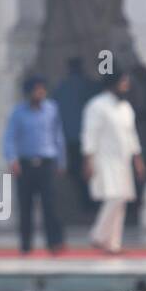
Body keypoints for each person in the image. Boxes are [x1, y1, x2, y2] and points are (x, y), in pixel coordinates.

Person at [80, 70, 145, 254]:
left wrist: (137, 160)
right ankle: (98, 235)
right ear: (112, 83)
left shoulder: (125, 108)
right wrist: (88, 159)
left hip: (123, 160)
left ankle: (113, 243)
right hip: (104, 159)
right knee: (114, 197)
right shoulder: (97, 106)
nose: (126, 85)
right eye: (123, 82)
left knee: (122, 199)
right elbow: (89, 134)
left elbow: (131, 136)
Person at [3, 75, 66, 255]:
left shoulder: (52, 109)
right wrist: (12, 159)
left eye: (42, 89)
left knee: (51, 205)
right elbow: (10, 138)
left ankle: (54, 242)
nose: (41, 93)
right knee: (25, 206)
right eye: (37, 89)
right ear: (29, 92)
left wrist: (61, 161)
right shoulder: (18, 112)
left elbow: (58, 136)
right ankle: (25, 244)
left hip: (47, 163)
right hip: (25, 165)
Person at [54, 57, 97, 215]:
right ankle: (89, 201)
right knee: (85, 170)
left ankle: (87, 201)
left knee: (78, 171)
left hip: (70, 138)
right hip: (85, 137)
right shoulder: (88, 86)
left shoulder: (62, 88)